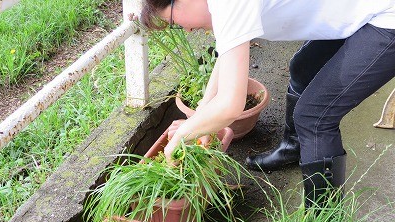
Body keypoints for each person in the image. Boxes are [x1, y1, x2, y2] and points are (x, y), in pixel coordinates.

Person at [139, 0, 395, 207]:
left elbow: (231, 104)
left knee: (314, 117)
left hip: (386, 17)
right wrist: (201, 116)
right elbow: (230, 49)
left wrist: (183, 134)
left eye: (173, 21)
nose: (185, 30)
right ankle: (295, 149)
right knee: (303, 69)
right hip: (356, 9)